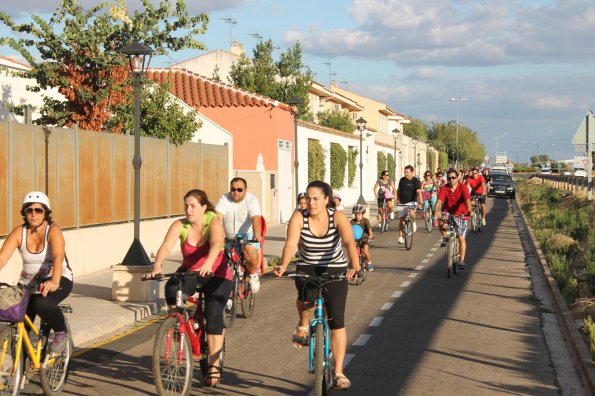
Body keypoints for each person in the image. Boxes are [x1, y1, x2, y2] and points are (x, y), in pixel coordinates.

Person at [274, 181, 359, 391]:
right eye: (308, 198)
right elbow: (292, 243)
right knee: (305, 300)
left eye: (315, 199)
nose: (310, 203)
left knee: (337, 321)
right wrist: (284, 265)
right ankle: (303, 324)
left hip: (335, 268)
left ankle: (338, 372)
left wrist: (354, 265)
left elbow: (349, 242)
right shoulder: (299, 217)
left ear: (326, 199)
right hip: (307, 268)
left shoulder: (337, 217)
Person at [148, 189, 231, 387]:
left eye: (193, 206)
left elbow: (217, 242)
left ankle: (214, 364)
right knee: (171, 288)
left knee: (212, 316)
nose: (188, 209)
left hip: (216, 272)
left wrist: (208, 264)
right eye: (186, 205)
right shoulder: (180, 225)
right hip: (191, 270)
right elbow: (167, 245)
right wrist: (157, 264)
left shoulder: (213, 221)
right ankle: (179, 322)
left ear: (204, 207)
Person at [0, 191, 74, 354]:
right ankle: (23, 366)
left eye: (38, 210)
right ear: (24, 213)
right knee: (16, 320)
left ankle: (61, 333)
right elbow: (2, 258)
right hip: (27, 283)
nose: (33, 214)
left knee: (41, 303)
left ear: (46, 212)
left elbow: (58, 256)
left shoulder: (53, 230)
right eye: (29, 210)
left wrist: (54, 281)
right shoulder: (19, 232)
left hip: (57, 278)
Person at [215, 178, 262, 293]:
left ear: (245, 190)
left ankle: (252, 275)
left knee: (250, 250)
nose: (235, 192)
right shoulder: (224, 199)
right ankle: (226, 293)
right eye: (233, 189)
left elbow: (256, 219)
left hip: (246, 235)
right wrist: (216, 235)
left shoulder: (251, 200)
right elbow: (217, 218)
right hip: (228, 236)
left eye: (239, 190)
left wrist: (256, 234)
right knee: (220, 261)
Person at [435, 169, 472, 270]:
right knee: (441, 222)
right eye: (449, 178)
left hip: (461, 214)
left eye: (453, 177)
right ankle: (445, 238)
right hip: (448, 212)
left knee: (461, 237)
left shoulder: (463, 187)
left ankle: (461, 260)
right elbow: (438, 202)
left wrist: (469, 211)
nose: (451, 180)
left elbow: (468, 201)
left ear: (458, 178)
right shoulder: (444, 188)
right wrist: (436, 211)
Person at [396, 165, 423, 244]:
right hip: (402, 202)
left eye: (407, 172)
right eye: (405, 172)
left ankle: (413, 222)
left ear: (412, 172)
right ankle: (401, 237)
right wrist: (397, 199)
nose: (406, 174)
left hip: (412, 202)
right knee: (402, 220)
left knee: (411, 213)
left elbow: (419, 192)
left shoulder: (415, 181)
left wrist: (420, 202)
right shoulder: (402, 180)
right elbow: (398, 190)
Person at [350, 204, 374, 271]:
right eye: (356, 215)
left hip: (365, 238)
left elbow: (370, 231)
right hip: (355, 239)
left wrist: (370, 237)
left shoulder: (365, 221)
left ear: (363, 214)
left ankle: (369, 263)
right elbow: (349, 231)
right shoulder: (352, 222)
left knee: (365, 250)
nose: (357, 216)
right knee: (352, 251)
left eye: (359, 214)